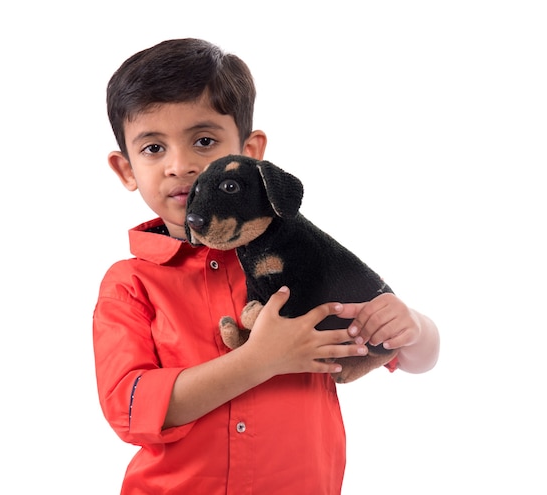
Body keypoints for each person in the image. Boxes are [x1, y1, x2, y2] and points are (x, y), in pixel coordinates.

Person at [93, 38, 440, 495]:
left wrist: (412, 325)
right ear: (126, 170)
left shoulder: (302, 256)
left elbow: (413, 358)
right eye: (154, 148)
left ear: (251, 154)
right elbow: (130, 409)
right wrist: (258, 361)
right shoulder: (130, 284)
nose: (181, 166)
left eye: (203, 141)